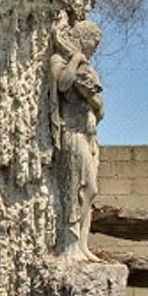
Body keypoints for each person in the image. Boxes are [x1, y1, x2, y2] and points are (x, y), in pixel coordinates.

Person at [50, 20, 104, 261]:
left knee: (91, 190)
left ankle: (83, 244)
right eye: (92, 44)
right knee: (77, 188)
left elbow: (101, 107)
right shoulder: (60, 61)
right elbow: (62, 84)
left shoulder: (89, 70)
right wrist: (76, 59)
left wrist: (93, 103)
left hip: (89, 135)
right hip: (71, 133)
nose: (94, 49)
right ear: (82, 40)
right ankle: (69, 243)